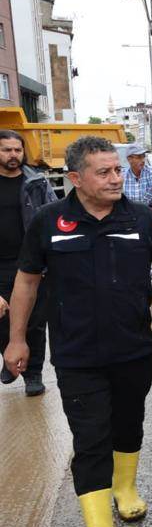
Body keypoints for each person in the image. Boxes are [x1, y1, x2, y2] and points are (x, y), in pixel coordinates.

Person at [4, 136, 152, 527]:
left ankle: (125, 490)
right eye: (103, 172)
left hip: (131, 349)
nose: (114, 178)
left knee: (128, 425)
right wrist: (17, 340)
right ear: (75, 178)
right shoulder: (50, 221)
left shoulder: (141, 219)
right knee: (90, 439)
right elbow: (27, 281)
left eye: (117, 170)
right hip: (76, 353)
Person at [0, 129, 56, 396]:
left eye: (17, 150)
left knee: (34, 321)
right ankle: (10, 358)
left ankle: (33, 373)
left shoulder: (37, 182)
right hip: (1, 265)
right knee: (3, 317)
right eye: (6, 150)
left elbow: (54, 217)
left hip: (31, 264)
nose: (13, 155)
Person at [122, 144, 152, 218]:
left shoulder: (151, 171)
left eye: (143, 156)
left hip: (149, 208)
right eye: (139, 157)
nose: (142, 160)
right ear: (129, 159)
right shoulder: (123, 174)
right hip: (130, 211)